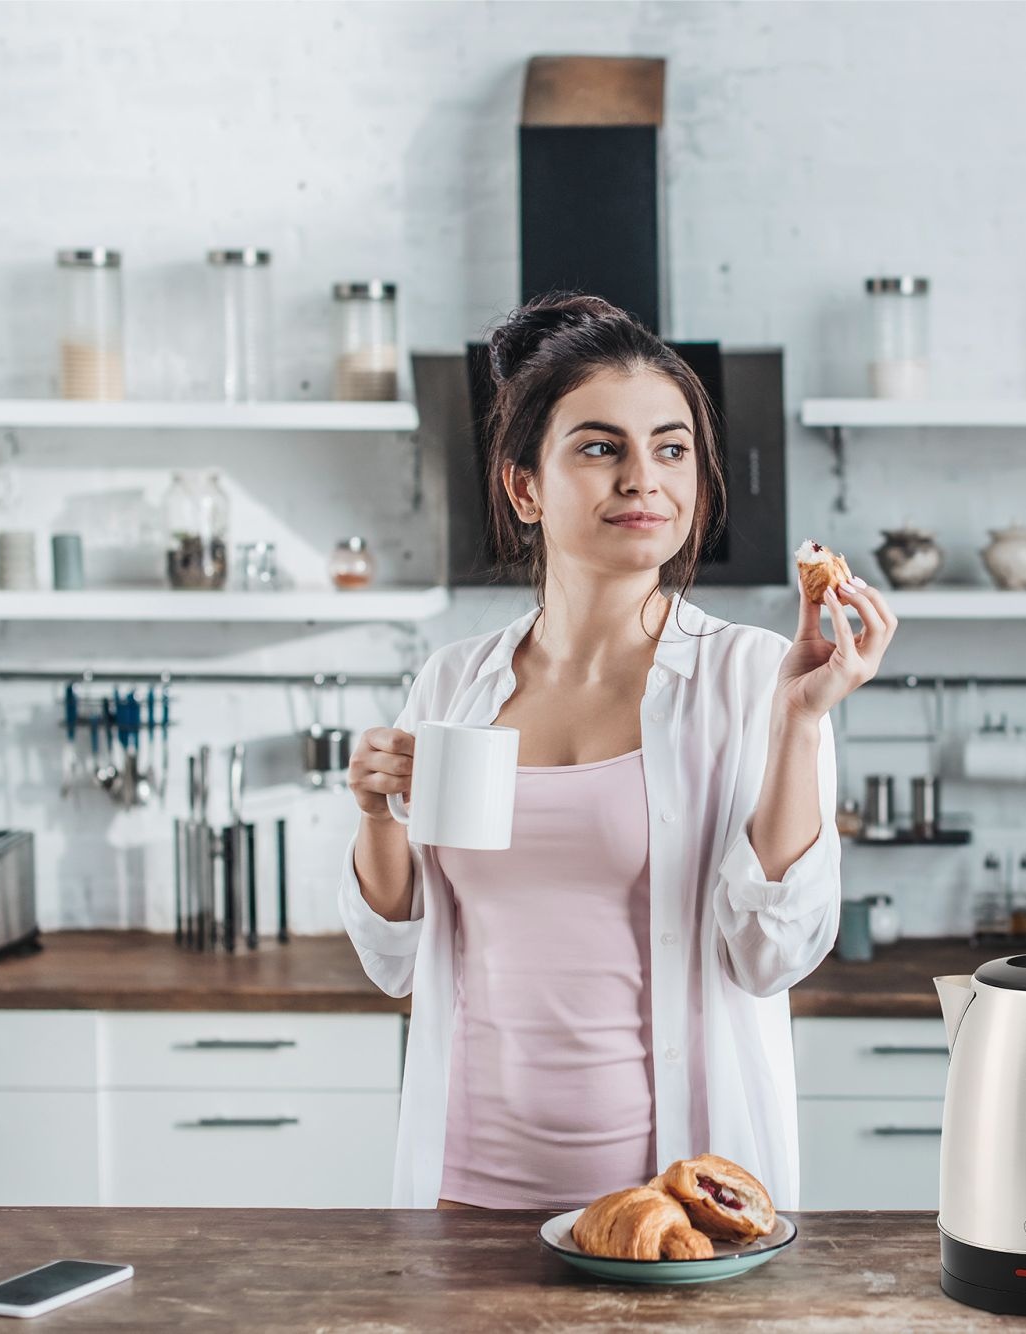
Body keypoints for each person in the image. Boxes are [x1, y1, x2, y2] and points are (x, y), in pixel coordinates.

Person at [339, 291, 895, 1209]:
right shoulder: (453, 683)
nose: (644, 478)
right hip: (466, 1191)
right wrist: (375, 817)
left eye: (671, 449)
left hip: (677, 1211)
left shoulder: (756, 678)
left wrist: (800, 722)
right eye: (601, 447)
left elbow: (771, 954)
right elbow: (395, 959)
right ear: (526, 487)